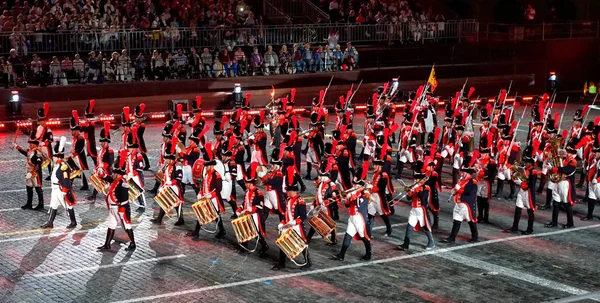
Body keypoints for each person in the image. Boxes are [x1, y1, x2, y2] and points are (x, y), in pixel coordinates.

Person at [97, 149, 137, 252]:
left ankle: (133, 243)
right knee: (111, 225)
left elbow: (124, 198)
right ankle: (107, 244)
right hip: (113, 208)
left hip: (120, 208)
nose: (112, 174)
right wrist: (102, 173)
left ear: (118, 174)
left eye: (114, 173)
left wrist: (122, 208)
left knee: (127, 226)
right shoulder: (116, 180)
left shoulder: (123, 183)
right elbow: (108, 178)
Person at [272, 167, 310, 270]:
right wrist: (282, 222)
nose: (287, 193)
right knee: (282, 242)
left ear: (293, 191)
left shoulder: (300, 200)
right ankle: (282, 263)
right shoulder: (288, 199)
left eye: (288, 191)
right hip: (288, 224)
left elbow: (303, 216)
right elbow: (286, 214)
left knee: (302, 243)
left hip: (296, 226)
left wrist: (293, 223)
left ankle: (308, 261)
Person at [332, 166, 371, 261]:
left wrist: (352, 196)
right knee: (348, 235)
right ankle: (341, 254)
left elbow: (360, 203)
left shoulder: (365, 193)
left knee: (364, 237)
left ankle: (368, 253)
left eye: (356, 185)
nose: (354, 187)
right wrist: (347, 198)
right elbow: (347, 205)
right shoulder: (354, 191)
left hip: (360, 218)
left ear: (361, 185)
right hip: (352, 216)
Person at [188, 143, 226, 239]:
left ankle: (197, 232)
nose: (205, 168)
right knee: (206, 214)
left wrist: (210, 195)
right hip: (206, 197)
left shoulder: (217, 175)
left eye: (207, 166)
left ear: (212, 166)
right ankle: (221, 230)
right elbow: (203, 186)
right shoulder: (206, 174)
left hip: (213, 199)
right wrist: (200, 193)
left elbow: (218, 189)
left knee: (210, 214)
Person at [41, 137, 77, 229]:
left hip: (60, 189)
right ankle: (50, 222)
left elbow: (65, 179)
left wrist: (65, 190)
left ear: (58, 157)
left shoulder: (63, 166)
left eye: (54, 156)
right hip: (55, 189)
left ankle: (73, 222)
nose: (52, 158)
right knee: (53, 204)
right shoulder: (57, 165)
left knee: (67, 205)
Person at [442, 156, 479, 243]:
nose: (462, 174)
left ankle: (475, 237)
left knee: (471, 221)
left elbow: (469, 192)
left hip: (466, 205)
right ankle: (452, 238)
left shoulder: (473, 182)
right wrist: (454, 192)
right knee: (456, 221)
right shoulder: (461, 181)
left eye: (464, 172)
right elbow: (458, 190)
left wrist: (458, 190)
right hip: (458, 203)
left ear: (468, 173)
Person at [398, 171, 435, 251]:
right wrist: (409, 192)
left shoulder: (426, 187)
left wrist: (416, 189)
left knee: (425, 227)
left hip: (421, 210)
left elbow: (423, 197)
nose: (414, 181)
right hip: (414, 209)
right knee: (409, 226)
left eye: (416, 180)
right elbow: (409, 198)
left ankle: (431, 242)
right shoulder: (415, 187)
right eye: (414, 180)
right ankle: (406, 244)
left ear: (421, 180)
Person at [505, 147, 538, 234]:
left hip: (528, 193)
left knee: (530, 211)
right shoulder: (524, 169)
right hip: (521, 191)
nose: (525, 164)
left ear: (531, 162)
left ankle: (530, 229)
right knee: (518, 209)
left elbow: (531, 184)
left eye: (527, 162)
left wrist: (521, 183)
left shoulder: (533, 172)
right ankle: (515, 227)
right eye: (525, 162)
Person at [13, 130, 48, 210]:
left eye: (31, 143)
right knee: (29, 187)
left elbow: (38, 165)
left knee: (38, 188)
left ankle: (41, 204)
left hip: (35, 174)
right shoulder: (31, 151)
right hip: (30, 172)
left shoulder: (37, 153)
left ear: (35, 144)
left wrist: (32, 172)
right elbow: (26, 154)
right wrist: (17, 147)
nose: (30, 145)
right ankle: (29, 203)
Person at [86, 122, 114, 202]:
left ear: (106, 142)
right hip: (100, 170)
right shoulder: (101, 150)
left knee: (111, 182)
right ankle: (94, 196)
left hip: (107, 171)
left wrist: (101, 167)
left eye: (102, 142)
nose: (100, 143)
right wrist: (97, 167)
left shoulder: (110, 151)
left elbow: (110, 162)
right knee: (96, 181)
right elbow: (99, 161)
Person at [69, 110, 89, 191]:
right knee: (74, 169)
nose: (72, 132)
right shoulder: (75, 138)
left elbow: (80, 149)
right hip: (75, 156)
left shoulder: (80, 138)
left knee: (80, 171)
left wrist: (75, 153)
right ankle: (70, 183)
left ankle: (85, 185)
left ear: (76, 131)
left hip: (80, 157)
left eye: (73, 131)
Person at [80, 100, 98, 166]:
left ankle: (97, 166)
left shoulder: (91, 124)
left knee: (94, 156)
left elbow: (88, 129)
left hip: (91, 141)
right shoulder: (86, 123)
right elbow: (81, 130)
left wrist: (86, 125)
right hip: (87, 142)